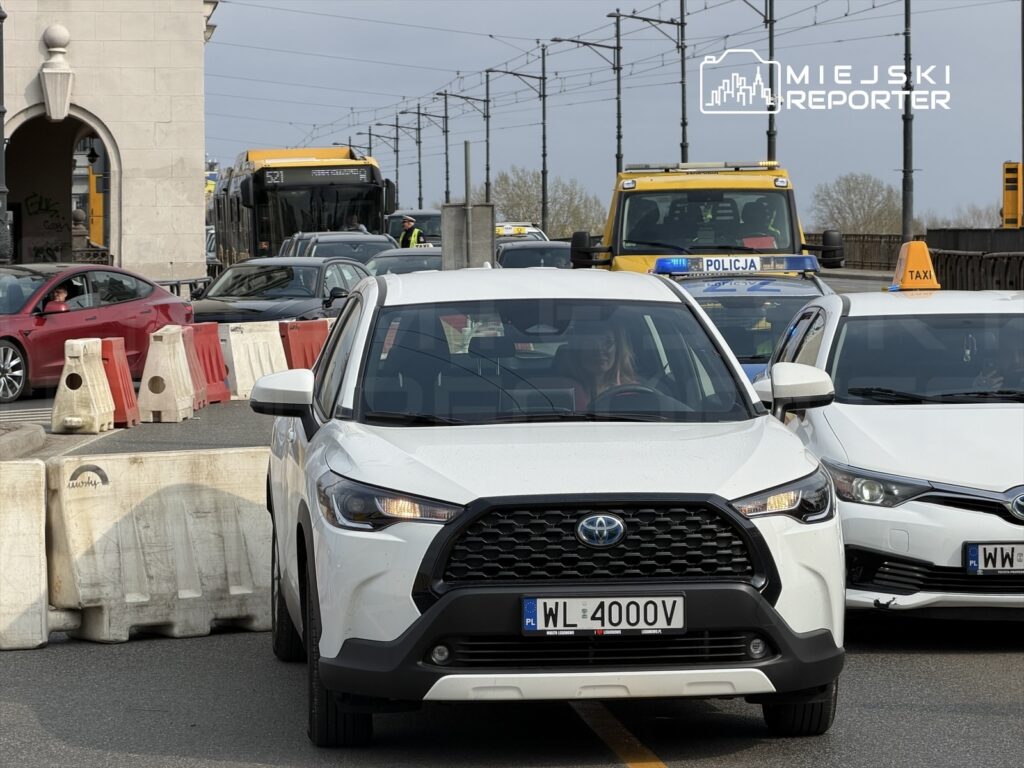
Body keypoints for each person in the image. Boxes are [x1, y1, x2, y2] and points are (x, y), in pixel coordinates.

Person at [559, 323, 639, 408]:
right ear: (577, 350)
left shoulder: (630, 391)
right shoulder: (563, 390)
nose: (599, 350)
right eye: (590, 343)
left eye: (607, 342)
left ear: (618, 349)